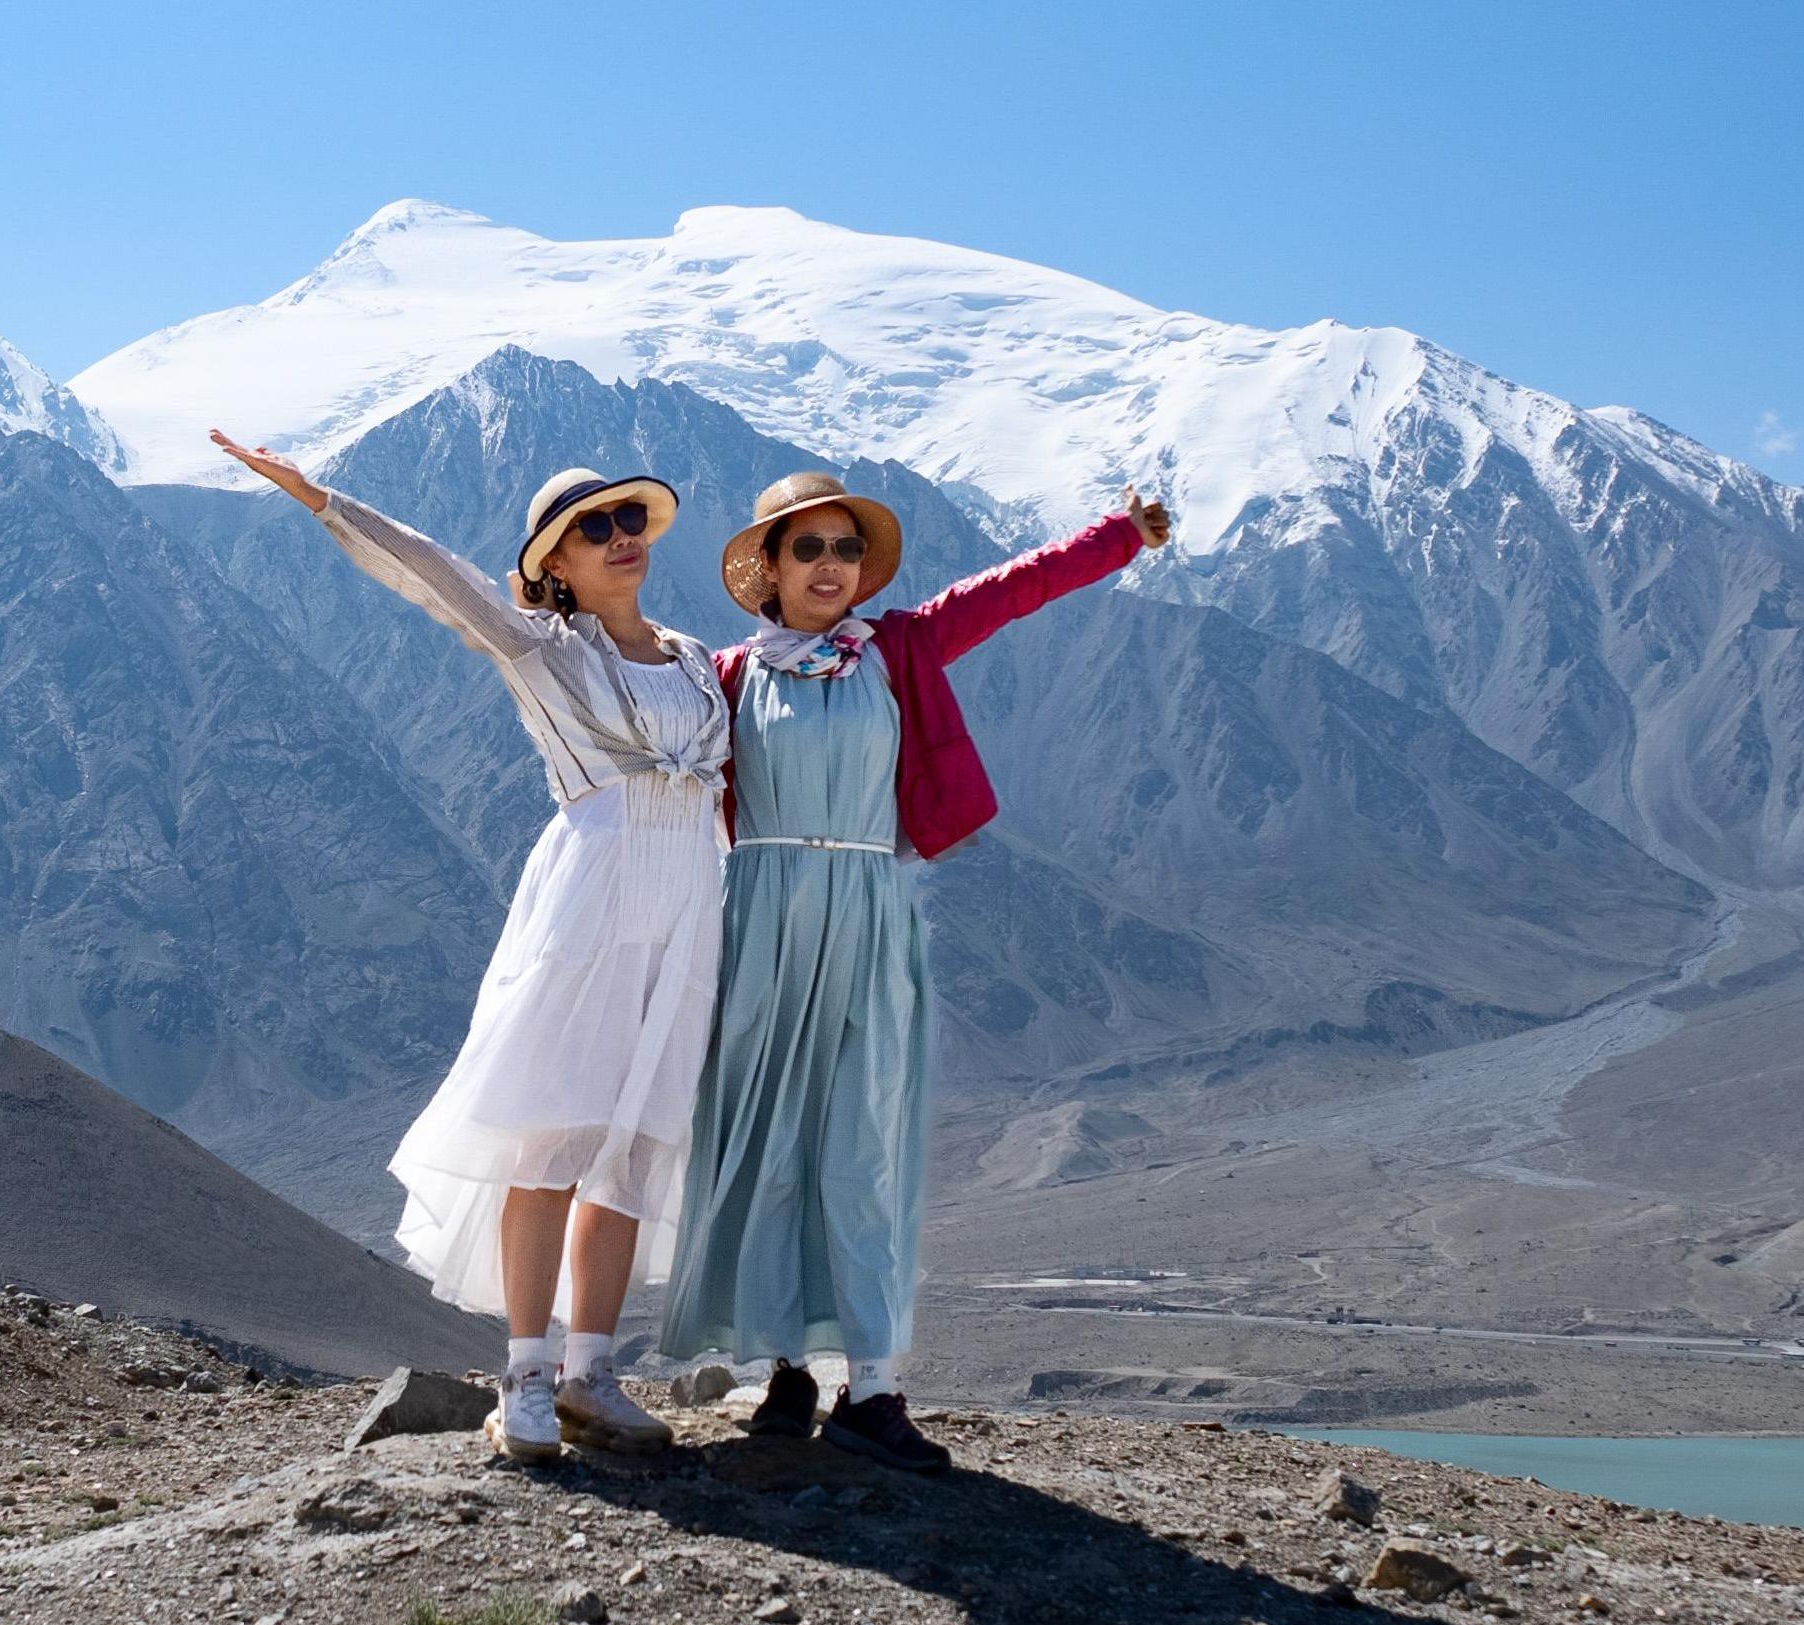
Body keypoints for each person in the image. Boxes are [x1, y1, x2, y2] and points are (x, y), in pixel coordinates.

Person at [210, 430, 728, 1464]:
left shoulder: (695, 661)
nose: (621, 536)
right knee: (551, 1138)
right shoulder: (545, 652)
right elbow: (436, 578)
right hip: (591, 906)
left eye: (630, 517)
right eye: (593, 528)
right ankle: (525, 1374)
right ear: (555, 564)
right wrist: (323, 500)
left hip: (687, 913)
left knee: (633, 1145)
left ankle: (590, 1374)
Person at [659, 469, 1172, 1471]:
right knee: (767, 1143)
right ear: (769, 566)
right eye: (808, 547)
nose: (830, 565)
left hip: (864, 912)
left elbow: (1011, 591)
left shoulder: (897, 649)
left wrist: (1118, 538)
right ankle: (783, 1371)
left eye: (846, 548)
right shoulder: (723, 675)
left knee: (861, 1147)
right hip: (757, 919)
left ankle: (872, 1387)